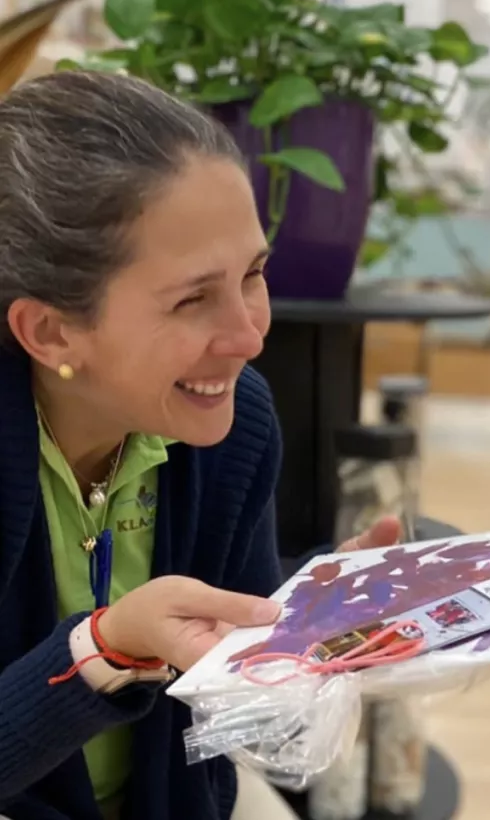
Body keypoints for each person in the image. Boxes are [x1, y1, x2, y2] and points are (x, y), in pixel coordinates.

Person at [0, 71, 400, 820]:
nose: (251, 335)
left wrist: (309, 616)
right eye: (192, 299)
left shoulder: (233, 422)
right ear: (50, 331)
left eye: (253, 273)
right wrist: (104, 651)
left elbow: (225, 716)